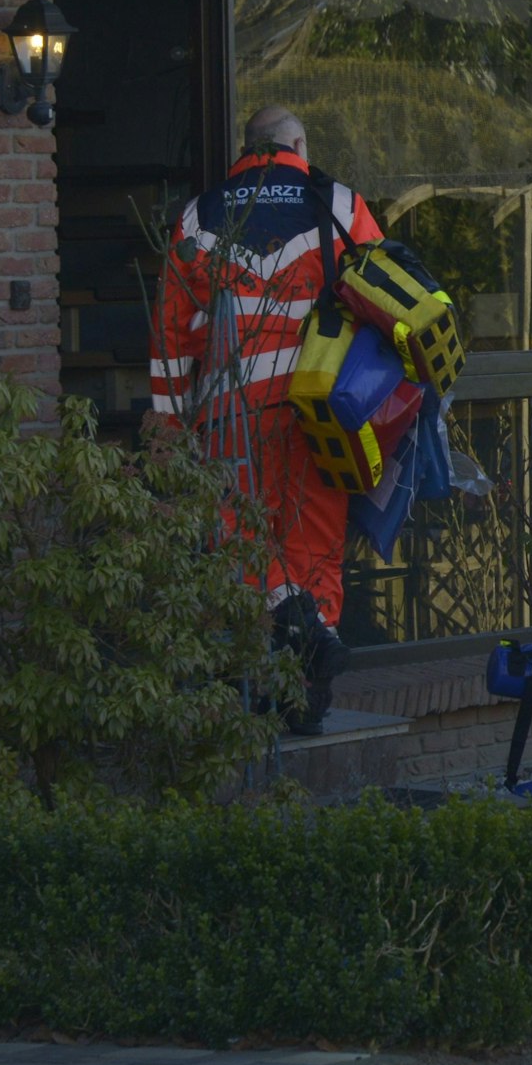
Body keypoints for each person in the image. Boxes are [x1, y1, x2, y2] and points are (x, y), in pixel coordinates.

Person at [148, 105, 384, 733]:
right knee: (315, 540)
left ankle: (272, 652)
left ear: (246, 148)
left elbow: (172, 337)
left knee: (240, 536)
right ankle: (309, 689)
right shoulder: (340, 205)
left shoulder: (198, 217)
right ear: (297, 145)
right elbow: (383, 301)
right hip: (321, 407)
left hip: (232, 412)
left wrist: (169, 433)